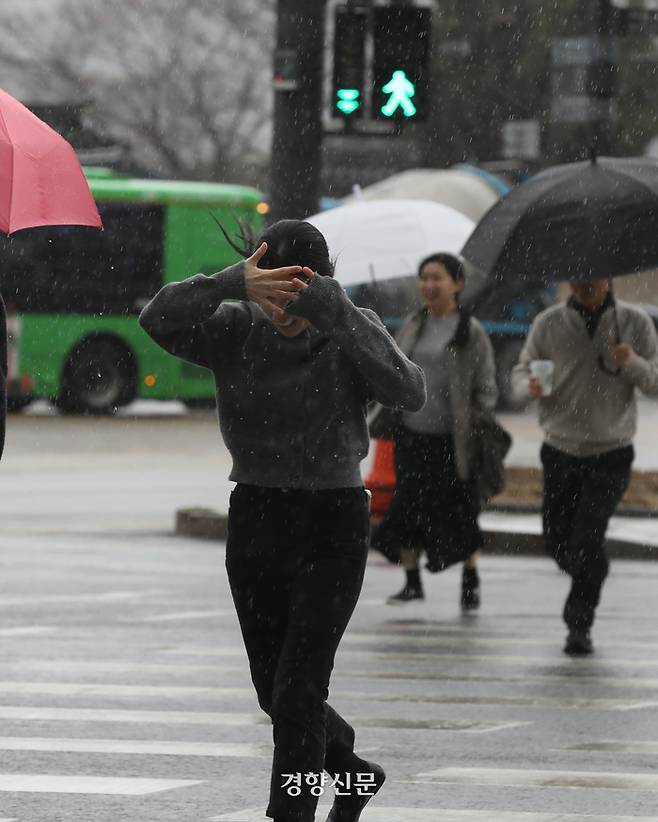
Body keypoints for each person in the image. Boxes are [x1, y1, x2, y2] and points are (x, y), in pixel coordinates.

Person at [139, 219, 426, 822]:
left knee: (299, 689)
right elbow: (156, 319)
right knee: (276, 691)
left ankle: (289, 813)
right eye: (274, 289)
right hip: (256, 516)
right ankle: (352, 776)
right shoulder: (234, 328)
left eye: (300, 292)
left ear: (321, 285)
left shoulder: (351, 330)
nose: (285, 308)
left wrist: (337, 312)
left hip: (334, 522)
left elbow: (409, 391)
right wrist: (230, 283)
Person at [511, 278, 658, 656]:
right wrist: (529, 386)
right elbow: (519, 373)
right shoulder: (548, 323)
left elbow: (655, 383)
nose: (582, 283)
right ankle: (593, 572)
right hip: (560, 448)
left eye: (591, 275)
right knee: (557, 541)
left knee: (587, 538)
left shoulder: (635, 322)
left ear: (607, 277)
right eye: (575, 276)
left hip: (611, 451)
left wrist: (633, 363)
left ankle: (579, 624)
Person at [369, 253, 497, 610]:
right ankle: (412, 583)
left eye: (437, 278)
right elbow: (393, 367)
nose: (429, 285)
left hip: (452, 440)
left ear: (457, 284)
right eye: (424, 277)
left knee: (460, 509)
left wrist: (476, 420)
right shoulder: (412, 324)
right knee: (408, 506)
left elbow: (486, 387)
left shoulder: (470, 331)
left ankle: (470, 580)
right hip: (412, 434)